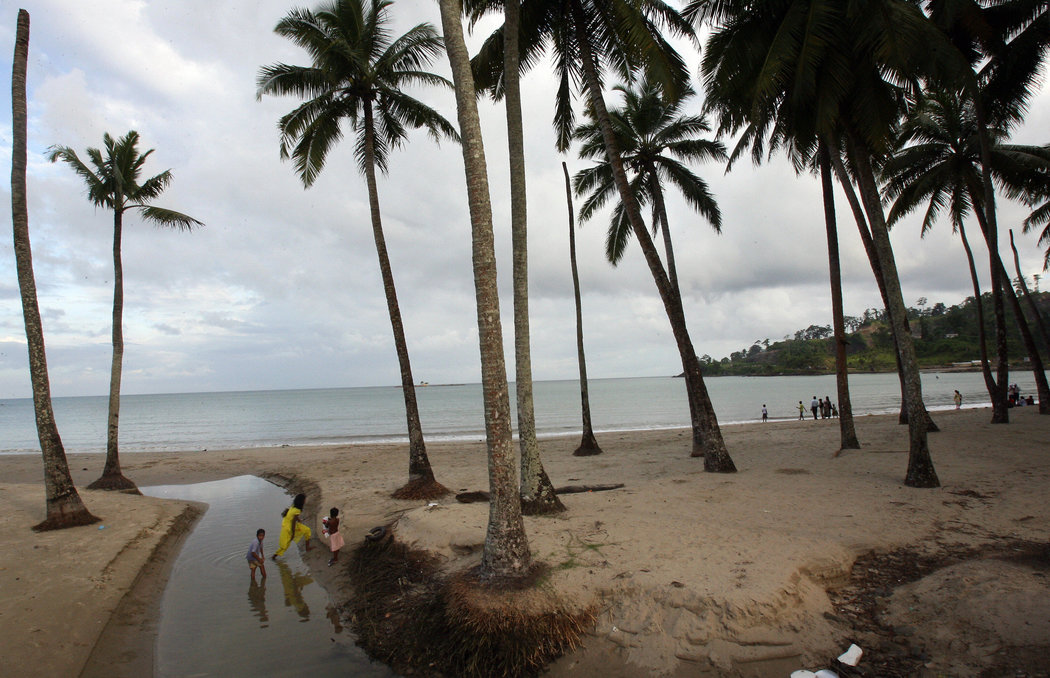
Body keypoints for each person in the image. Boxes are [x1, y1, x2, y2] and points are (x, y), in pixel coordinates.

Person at [273, 493, 312, 559]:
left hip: (286, 523)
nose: (305, 501)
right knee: (286, 544)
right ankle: (274, 556)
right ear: (302, 501)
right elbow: (293, 522)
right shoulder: (297, 510)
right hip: (288, 526)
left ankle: (307, 548)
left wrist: (299, 520)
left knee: (307, 530)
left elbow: (294, 517)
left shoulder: (294, 506)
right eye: (305, 499)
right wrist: (293, 533)